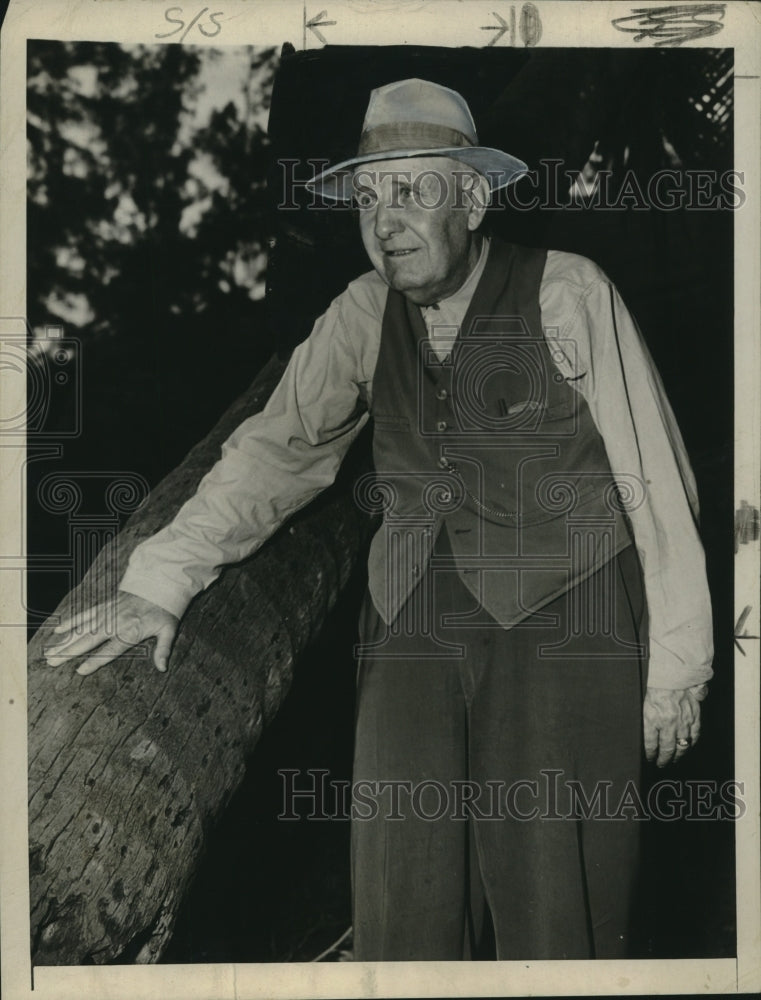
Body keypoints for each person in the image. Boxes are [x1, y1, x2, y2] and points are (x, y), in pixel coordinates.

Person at [46, 78, 713, 961]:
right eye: (367, 196)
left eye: (410, 189)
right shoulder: (362, 314)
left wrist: (676, 669)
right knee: (403, 903)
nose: (384, 218)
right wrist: (161, 581)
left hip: (569, 624)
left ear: (472, 197)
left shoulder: (567, 292)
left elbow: (653, 480)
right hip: (411, 626)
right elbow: (273, 451)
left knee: (561, 913)